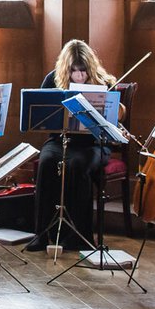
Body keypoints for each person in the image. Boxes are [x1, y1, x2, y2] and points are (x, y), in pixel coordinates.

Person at [27, 40, 118, 252]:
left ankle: (79, 235)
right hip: (60, 140)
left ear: (91, 67)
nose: (79, 76)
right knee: (47, 162)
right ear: (66, 69)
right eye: (74, 71)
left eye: (83, 70)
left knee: (77, 165)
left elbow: (115, 118)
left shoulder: (103, 81)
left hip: (94, 144)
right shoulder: (52, 80)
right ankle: (41, 234)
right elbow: (43, 119)